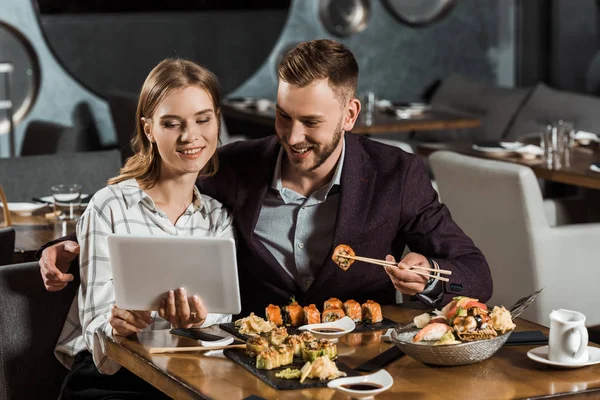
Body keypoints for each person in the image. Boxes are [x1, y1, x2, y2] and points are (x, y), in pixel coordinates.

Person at [40, 39, 492, 319]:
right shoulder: (234, 167)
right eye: (283, 116)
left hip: (363, 365)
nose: (292, 137)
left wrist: (430, 276)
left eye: (311, 122)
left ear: (350, 115)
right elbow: (159, 206)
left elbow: (475, 273)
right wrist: (69, 245)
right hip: (255, 362)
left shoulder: (397, 174)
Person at [53, 58, 234, 399]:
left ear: (217, 121)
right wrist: (118, 323)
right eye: (171, 124)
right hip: (110, 377)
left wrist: (196, 321)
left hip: (187, 374)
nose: (190, 135)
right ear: (149, 129)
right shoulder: (109, 206)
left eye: (202, 119)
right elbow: (95, 322)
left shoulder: (217, 217)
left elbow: (223, 312)